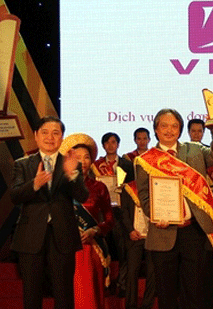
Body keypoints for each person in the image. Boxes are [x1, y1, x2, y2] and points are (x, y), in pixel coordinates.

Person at [136, 108, 213, 309]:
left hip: (193, 231)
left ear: (180, 130)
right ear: (156, 130)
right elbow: (144, 196)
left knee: (194, 291)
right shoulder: (145, 160)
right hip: (162, 232)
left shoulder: (194, 149)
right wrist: (156, 215)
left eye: (174, 126)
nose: (169, 130)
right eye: (164, 126)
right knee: (166, 293)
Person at [10, 116, 89, 309]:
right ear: (36, 136)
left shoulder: (72, 163)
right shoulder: (23, 164)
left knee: (64, 294)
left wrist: (72, 174)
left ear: (62, 137)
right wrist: (35, 184)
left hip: (63, 236)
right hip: (30, 237)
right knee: (31, 294)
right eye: (45, 133)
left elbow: (82, 196)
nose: (50, 138)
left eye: (55, 133)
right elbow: (15, 196)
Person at [60, 133, 114, 309]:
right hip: (67, 249)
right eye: (77, 157)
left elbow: (110, 219)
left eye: (86, 157)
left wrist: (95, 230)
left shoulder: (99, 187)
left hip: (92, 247)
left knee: (91, 294)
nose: (82, 162)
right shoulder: (59, 186)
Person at [94, 131, 134, 296]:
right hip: (102, 212)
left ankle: (122, 283)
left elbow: (132, 188)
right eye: (107, 142)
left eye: (113, 142)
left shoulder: (127, 165)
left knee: (123, 249)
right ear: (103, 145)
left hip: (120, 212)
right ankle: (104, 282)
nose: (110, 145)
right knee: (103, 248)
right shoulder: (95, 166)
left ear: (118, 144)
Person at [120, 179, 156, 309]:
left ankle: (147, 305)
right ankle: (131, 305)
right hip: (135, 235)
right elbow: (124, 212)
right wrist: (130, 230)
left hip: (152, 235)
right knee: (132, 272)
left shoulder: (156, 185)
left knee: (152, 272)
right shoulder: (129, 188)